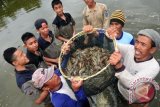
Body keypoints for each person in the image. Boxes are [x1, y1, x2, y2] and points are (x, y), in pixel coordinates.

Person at [109, 29, 160, 106]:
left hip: (136, 99)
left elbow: (132, 84)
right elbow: (114, 45)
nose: (137, 47)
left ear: (152, 50)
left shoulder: (153, 67)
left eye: (143, 44)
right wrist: (106, 35)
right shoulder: (130, 49)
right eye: (137, 41)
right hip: (121, 90)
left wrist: (119, 66)